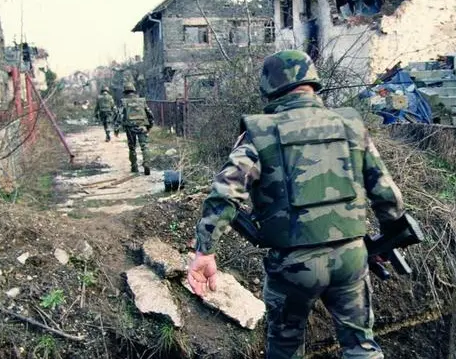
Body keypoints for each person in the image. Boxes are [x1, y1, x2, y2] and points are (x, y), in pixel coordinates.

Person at [187, 50, 407, 358]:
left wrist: (205, 250)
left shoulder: (259, 131)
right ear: (313, 82)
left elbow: (225, 193)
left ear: (269, 87)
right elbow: (386, 194)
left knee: (285, 349)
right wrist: (387, 241)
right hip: (351, 257)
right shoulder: (350, 124)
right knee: (362, 347)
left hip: (293, 265)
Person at [121, 82, 154, 175]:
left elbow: (120, 115)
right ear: (134, 90)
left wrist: (118, 127)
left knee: (132, 147)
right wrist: (149, 126)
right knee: (145, 146)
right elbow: (149, 114)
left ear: (125, 92)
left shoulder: (124, 102)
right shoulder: (141, 101)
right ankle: (146, 163)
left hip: (129, 127)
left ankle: (134, 166)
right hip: (142, 125)